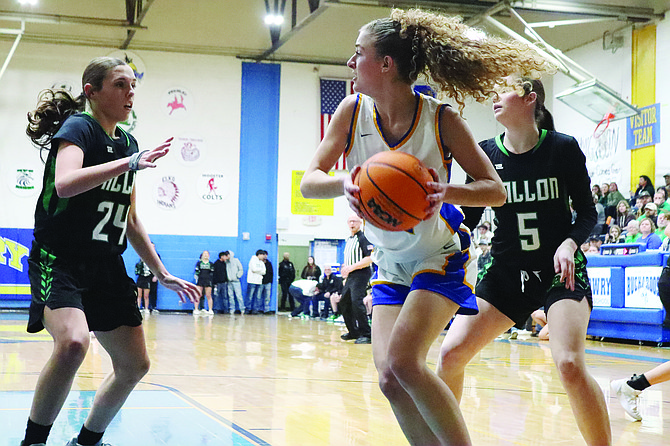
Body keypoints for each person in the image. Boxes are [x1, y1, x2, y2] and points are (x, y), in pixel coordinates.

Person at [299, 8, 549, 444]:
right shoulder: (350, 111)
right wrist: (349, 181)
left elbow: (495, 190)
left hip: (440, 255)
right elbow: (309, 182)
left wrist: (446, 192)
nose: (349, 63)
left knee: (404, 363)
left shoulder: (441, 119)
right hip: (390, 262)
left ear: (385, 64)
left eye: (357, 54)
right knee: (389, 379)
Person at [20, 57, 199, 446]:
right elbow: (65, 183)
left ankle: (88, 441)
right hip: (60, 258)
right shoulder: (78, 129)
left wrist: (161, 271)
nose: (130, 92)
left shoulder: (128, 144)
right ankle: (33, 441)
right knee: (72, 344)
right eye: (120, 84)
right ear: (92, 91)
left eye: (133, 85)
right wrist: (128, 164)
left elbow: (131, 220)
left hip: (106, 264)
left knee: (135, 365)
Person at [436, 76, 612, 446]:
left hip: (557, 272)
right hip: (505, 272)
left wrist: (569, 243)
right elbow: (467, 221)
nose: (494, 97)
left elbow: (587, 213)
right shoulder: (485, 153)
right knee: (450, 355)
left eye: (504, 89)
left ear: (530, 98)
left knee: (568, 363)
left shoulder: (562, 148)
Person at [337, 214, 374, 344]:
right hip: (351, 275)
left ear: (360, 223)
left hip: (361, 273)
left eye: (354, 221)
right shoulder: (349, 239)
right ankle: (354, 331)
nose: (352, 223)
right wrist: (345, 269)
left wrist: (351, 267)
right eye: (350, 221)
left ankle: (367, 334)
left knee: (356, 302)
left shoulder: (363, 238)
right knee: (343, 303)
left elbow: (370, 258)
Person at [193, 250, 214, 315]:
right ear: (202, 255)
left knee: (208, 295)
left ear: (209, 255)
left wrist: (211, 280)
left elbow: (212, 273)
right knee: (198, 295)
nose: (205, 255)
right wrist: (197, 278)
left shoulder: (211, 264)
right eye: (204, 254)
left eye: (207, 254)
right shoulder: (199, 263)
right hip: (200, 280)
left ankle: (210, 309)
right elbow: (196, 272)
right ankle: (196, 309)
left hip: (208, 281)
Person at [246, 249, 266, 314]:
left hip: (259, 281)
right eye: (262, 255)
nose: (263, 257)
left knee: (258, 297)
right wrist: (260, 271)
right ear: (259, 255)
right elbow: (254, 269)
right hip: (252, 281)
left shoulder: (262, 262)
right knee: (250, 296)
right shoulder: (252, 260)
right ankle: (248, 309)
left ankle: (255, 309)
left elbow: (264, 272)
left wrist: (258, 271)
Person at [225, 250, 245, 314]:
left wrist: (238, 276)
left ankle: (242, 309)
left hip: (236, 281)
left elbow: (241, 269)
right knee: (230, 296)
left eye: (227, 255)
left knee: (239, 296)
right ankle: (232, 309)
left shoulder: (236, 261)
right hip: (229, 282)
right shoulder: (226, 263)